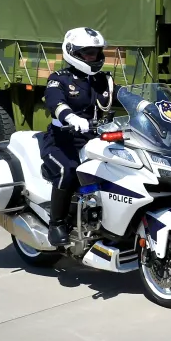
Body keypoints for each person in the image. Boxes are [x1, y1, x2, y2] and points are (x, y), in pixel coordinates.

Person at [41, 27, 117, 246]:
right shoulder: (59, 79)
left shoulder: (103, 80)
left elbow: (123, 95)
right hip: (62, 140)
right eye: (88, 52)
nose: (94, 56)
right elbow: (55, 102)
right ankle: (56, 224)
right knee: (68, 170)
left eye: (97, 52)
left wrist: (147, 105)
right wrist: (71, 117)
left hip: (93, 139)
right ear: (73, 53)